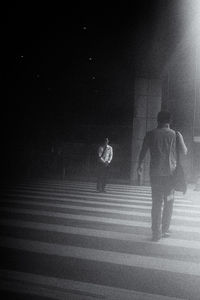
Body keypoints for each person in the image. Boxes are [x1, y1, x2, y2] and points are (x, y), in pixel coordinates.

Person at [137, 111, 187, 241]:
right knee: (169, 201)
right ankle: (165, 229)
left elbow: (143, 151)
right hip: (170, 176)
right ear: (170, 121)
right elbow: (184, 151)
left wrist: (139, 165)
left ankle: (156, 233)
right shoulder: (176, 134)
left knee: (156, 203)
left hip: (155, 174)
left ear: (157, 120)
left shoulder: (150, 134)